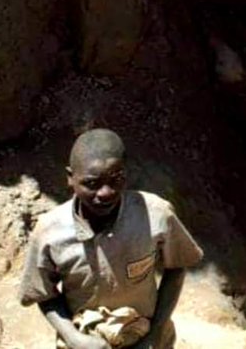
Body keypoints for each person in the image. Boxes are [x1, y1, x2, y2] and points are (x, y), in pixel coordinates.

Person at [19, 129, 204, 349]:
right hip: (84, 342)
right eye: (92, 183)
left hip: (147, 340)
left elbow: (177, 267)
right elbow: (43, 293)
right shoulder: (50, 231)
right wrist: (73, 337)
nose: (106, 192)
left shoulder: (156, 214)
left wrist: (155, 334)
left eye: (116, 179)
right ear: (70, 178)